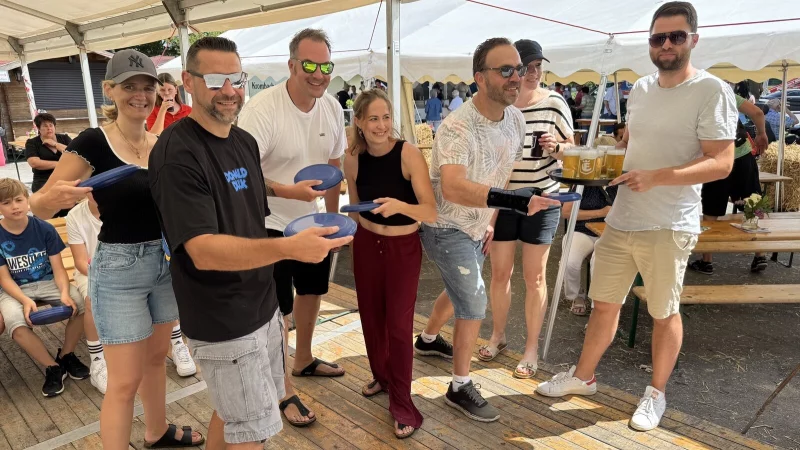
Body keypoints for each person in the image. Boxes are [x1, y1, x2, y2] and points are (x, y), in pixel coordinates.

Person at [536, 2, 737, 432]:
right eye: (657, 38)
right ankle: (583, 377)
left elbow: (721, 163)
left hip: (669, 222)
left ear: (693, 40)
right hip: (623, 218)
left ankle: (655, 393)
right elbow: (633, 151)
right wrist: (584, 158)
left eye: (675, 36)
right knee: (604, 305)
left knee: (664, 312)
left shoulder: (712, 90)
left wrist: (658, 177)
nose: (665, 44)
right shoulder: (642, 88)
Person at [150, 36, 351, 450]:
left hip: (262, 307)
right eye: (216, 79)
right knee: (253, 431)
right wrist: (288, 249)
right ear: (189, 81)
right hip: (222, 318)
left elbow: (250, 210)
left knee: (233, 415)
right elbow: (202, 251)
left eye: (236, 78)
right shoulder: (178, 153)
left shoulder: (242, 141)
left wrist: (292, 197)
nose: (229, 90)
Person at [29, 49, 203, 449]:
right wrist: (58, 196)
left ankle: (156, 432)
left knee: (157, 359)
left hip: (163, 265)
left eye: (147, 87)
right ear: (110, 90)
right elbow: (40, 206)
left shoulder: (161, 142)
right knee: (124, 381)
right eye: (129, 87)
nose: (140, 95)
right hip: (119, 269)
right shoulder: (94, 141)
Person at [413, 37, 560, 422]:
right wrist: (512, 205)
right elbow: (454, 187)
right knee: (474, 300)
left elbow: (503, 175)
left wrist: (492, 220)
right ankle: (459, 385)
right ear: (480, 78)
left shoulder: (515, 119)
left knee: (462, 287)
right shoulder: (457, 127)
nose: (518, 76)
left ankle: (427, 341)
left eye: (521, 68)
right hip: (445, 226)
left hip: (479, 225)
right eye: (506, 70)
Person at [238, 28, 346, 428]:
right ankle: (283, 390)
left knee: (314, 291)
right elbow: (243, 173)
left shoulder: (332, 108)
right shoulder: (263, 109)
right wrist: (287, 190)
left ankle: (303, 360)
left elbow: (333, 169)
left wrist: (333, 223)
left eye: (325, 66)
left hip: (313, 221)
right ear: (292, 65)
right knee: (278, 311)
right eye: (310, 65)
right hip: (266, 223)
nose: (318, 74)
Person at [343, 89, 436, 439]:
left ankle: (402, 402)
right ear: (360, 123)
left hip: (402, 248)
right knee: (371, 317)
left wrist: (399, 206)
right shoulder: (351, 157)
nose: (381, 125)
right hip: (366, 243)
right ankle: (382, 377)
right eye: (373, 119)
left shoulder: (408, 154)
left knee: (398, 326)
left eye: (386, 117)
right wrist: (340, 232)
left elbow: (430, 210)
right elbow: (355, 207)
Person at [479, 39, 575, 379]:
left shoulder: (555, 102)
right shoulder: (502, 106)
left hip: (542, 200)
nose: (533, 73)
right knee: (500, 273)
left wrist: (558, 147)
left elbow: (572, 151)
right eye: (527, 67)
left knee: (534, 277)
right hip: (505, 201)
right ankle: (498, 336)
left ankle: (531, 347)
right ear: (514, 71)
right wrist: (489, 216)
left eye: (538, 67)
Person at [0, 178, 89, 397]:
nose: (15, 206)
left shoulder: (44, 228)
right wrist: (25, 301)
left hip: (47, 281)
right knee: (15, 323)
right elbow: (4, 279)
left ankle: (66, 354)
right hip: (15, 289)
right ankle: (53, 366)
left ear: (28, 201)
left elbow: (58, 269)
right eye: (7, 202)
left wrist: (65, 292)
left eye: (19, 200)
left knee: (81, 304)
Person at [690, 92, 769, 274]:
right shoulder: (725, 93)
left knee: (711, 210)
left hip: (714, 158)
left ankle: (707, 260)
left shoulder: (692, 96)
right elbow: (757, 113)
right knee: (753, 204)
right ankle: (759, 254)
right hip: (741, 154)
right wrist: (762, 134)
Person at [65, 196, 106, 393]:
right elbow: (80, 261)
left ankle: (176, 343)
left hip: (125, 267)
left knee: (161, 283)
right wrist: (102, 275)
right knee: (92, 299)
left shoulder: (125, 204)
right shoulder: (75, 215)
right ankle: (98, 359)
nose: (95, 189)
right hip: (89, 270)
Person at [562, 186, 618, 316]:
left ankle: (597, 308)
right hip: (582, 230)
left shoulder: (622, 184)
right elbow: (566, 212)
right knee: (570, 262)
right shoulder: (584, 182)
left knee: (599, 264)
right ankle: (576, 295)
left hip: (610, 234)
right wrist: (601, 212)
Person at [25, 113, 72, 193]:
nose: (49, 128)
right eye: (45, 126)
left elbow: (75, 154)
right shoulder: (32, 142)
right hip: (43, 180)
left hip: (67, 177)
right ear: (39, 128)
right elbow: (34, 163)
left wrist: (55, 144)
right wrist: (61, 164)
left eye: (51, 125)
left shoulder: (64, 138)